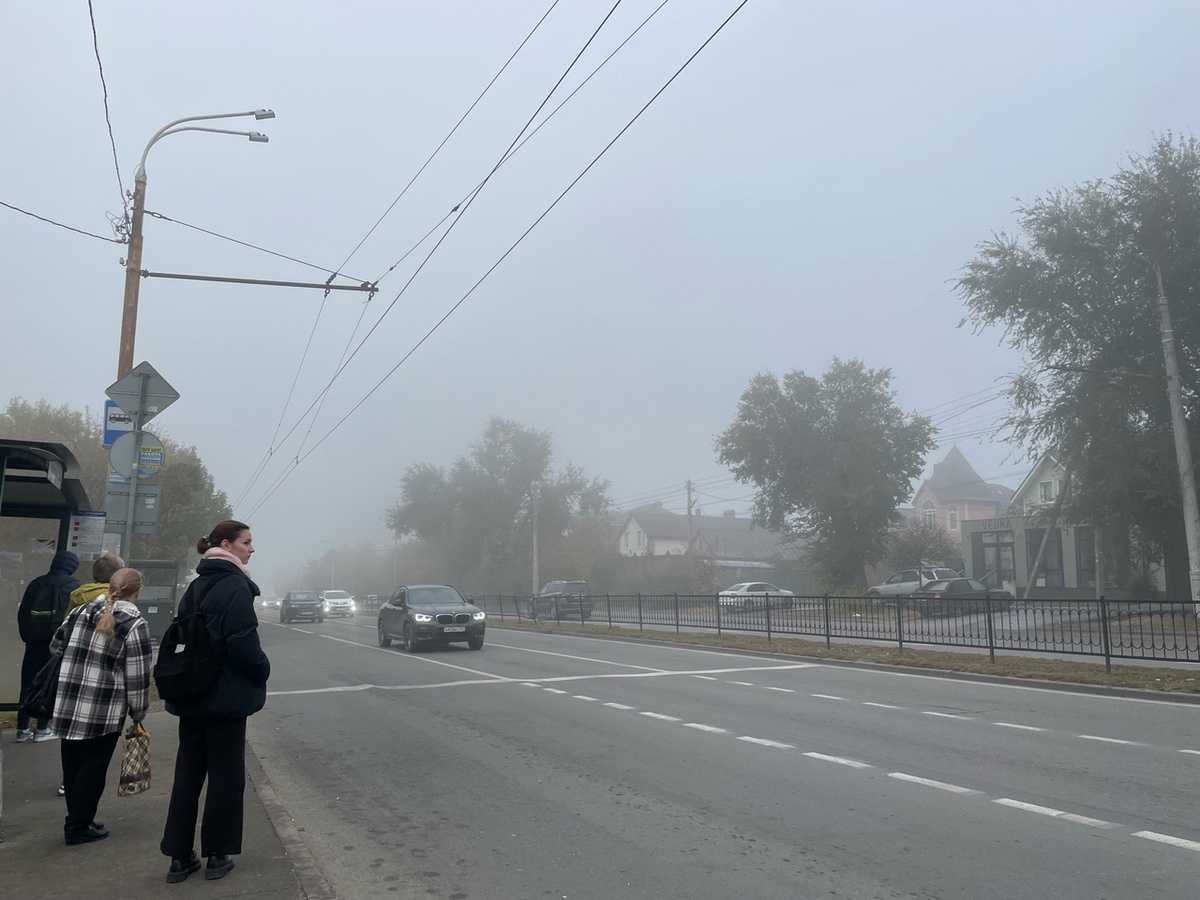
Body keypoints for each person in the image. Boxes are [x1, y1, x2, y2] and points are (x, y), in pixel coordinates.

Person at [161, 520, 270, 884]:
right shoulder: (235, 586)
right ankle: (218, 855)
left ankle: (179, 857)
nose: (252, 549)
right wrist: (262, 669)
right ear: (228, 543)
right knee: (226, 777)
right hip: (224, 697)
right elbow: (243, 643)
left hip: (191, 694)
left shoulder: (196, 586)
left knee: (187, 775)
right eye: (247, 542)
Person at [50, 567, 152, 845]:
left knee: (72, 766)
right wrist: (138, 713)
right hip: (103, 709)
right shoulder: (134, 623)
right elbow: (138, 675)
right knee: (93, 770)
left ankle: (78, 818)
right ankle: (78, 826)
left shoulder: (79, 612)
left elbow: (56, 645)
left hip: (67, 701)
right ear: (137, 591)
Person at [15, 550, 80, 742]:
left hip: (34, 642)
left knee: (28, 683)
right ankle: (42, 729)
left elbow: (23, 613)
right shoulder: (74, 587)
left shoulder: (36, 584)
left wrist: (27, 636)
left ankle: (22, 728)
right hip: (57, 645)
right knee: (49, 683)